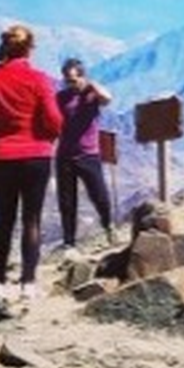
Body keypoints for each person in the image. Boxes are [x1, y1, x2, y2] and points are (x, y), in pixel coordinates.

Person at [0, 24, 62, 301]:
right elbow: (55, 122)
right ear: (30, 49)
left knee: (4, 219)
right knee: (32, 220)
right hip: (37, 156)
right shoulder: (40, 80)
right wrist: (45, 137)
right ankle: (28, 283)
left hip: (3, 158)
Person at [55, 58, 116, 250]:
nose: (69, 84)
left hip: (89, 155)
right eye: (66, 80)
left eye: (72, 79)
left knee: (100, 196)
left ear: (82, 77)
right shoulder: (61, 97)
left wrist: (91, 86)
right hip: (65, 155)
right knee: (66, 202)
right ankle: (69, 242)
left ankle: (108, 227)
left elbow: (108, 98)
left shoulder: (92, 95)